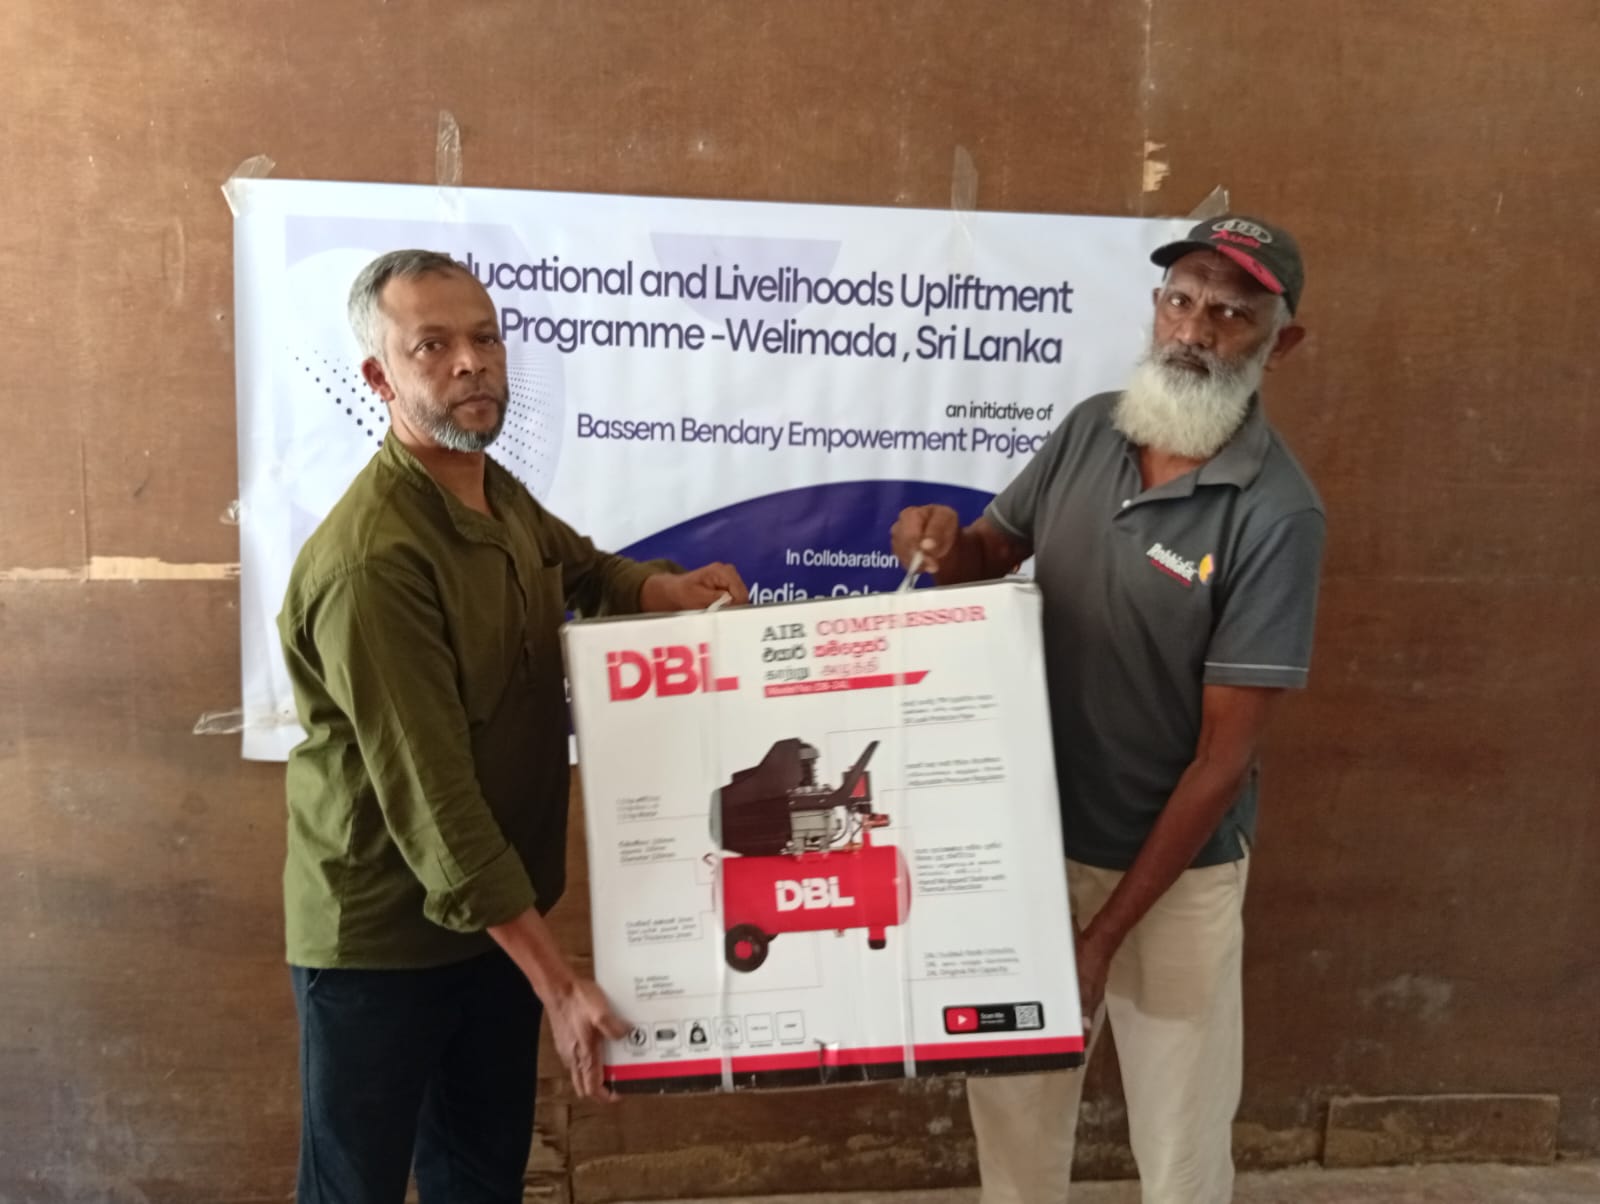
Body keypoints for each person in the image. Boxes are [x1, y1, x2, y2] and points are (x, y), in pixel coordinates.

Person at [278, 249, 749, 1204]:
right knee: (354, 1189)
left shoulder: (490, 488)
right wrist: (558, 983)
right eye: (432, 345)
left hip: (497, 925)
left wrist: (661, 592)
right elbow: (438, 808)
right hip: (383, 941)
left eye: (485, 338)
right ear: (379, 376)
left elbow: (580, 568)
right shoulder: (374, 563)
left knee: (481, 1178)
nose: (471, 362)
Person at [891, 216, 1325, 1204]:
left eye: (1230, 314)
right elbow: (988, 554)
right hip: (1029, 852)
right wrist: (935, 542)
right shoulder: (1093, 428)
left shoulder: (1276, 511)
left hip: (1176, 879)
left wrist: (1101, 937)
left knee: (1180, 1155)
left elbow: (1221, 761)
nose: (1194, 331)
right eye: (1180, 301)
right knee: (1016, 1134)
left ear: (1279, 343)